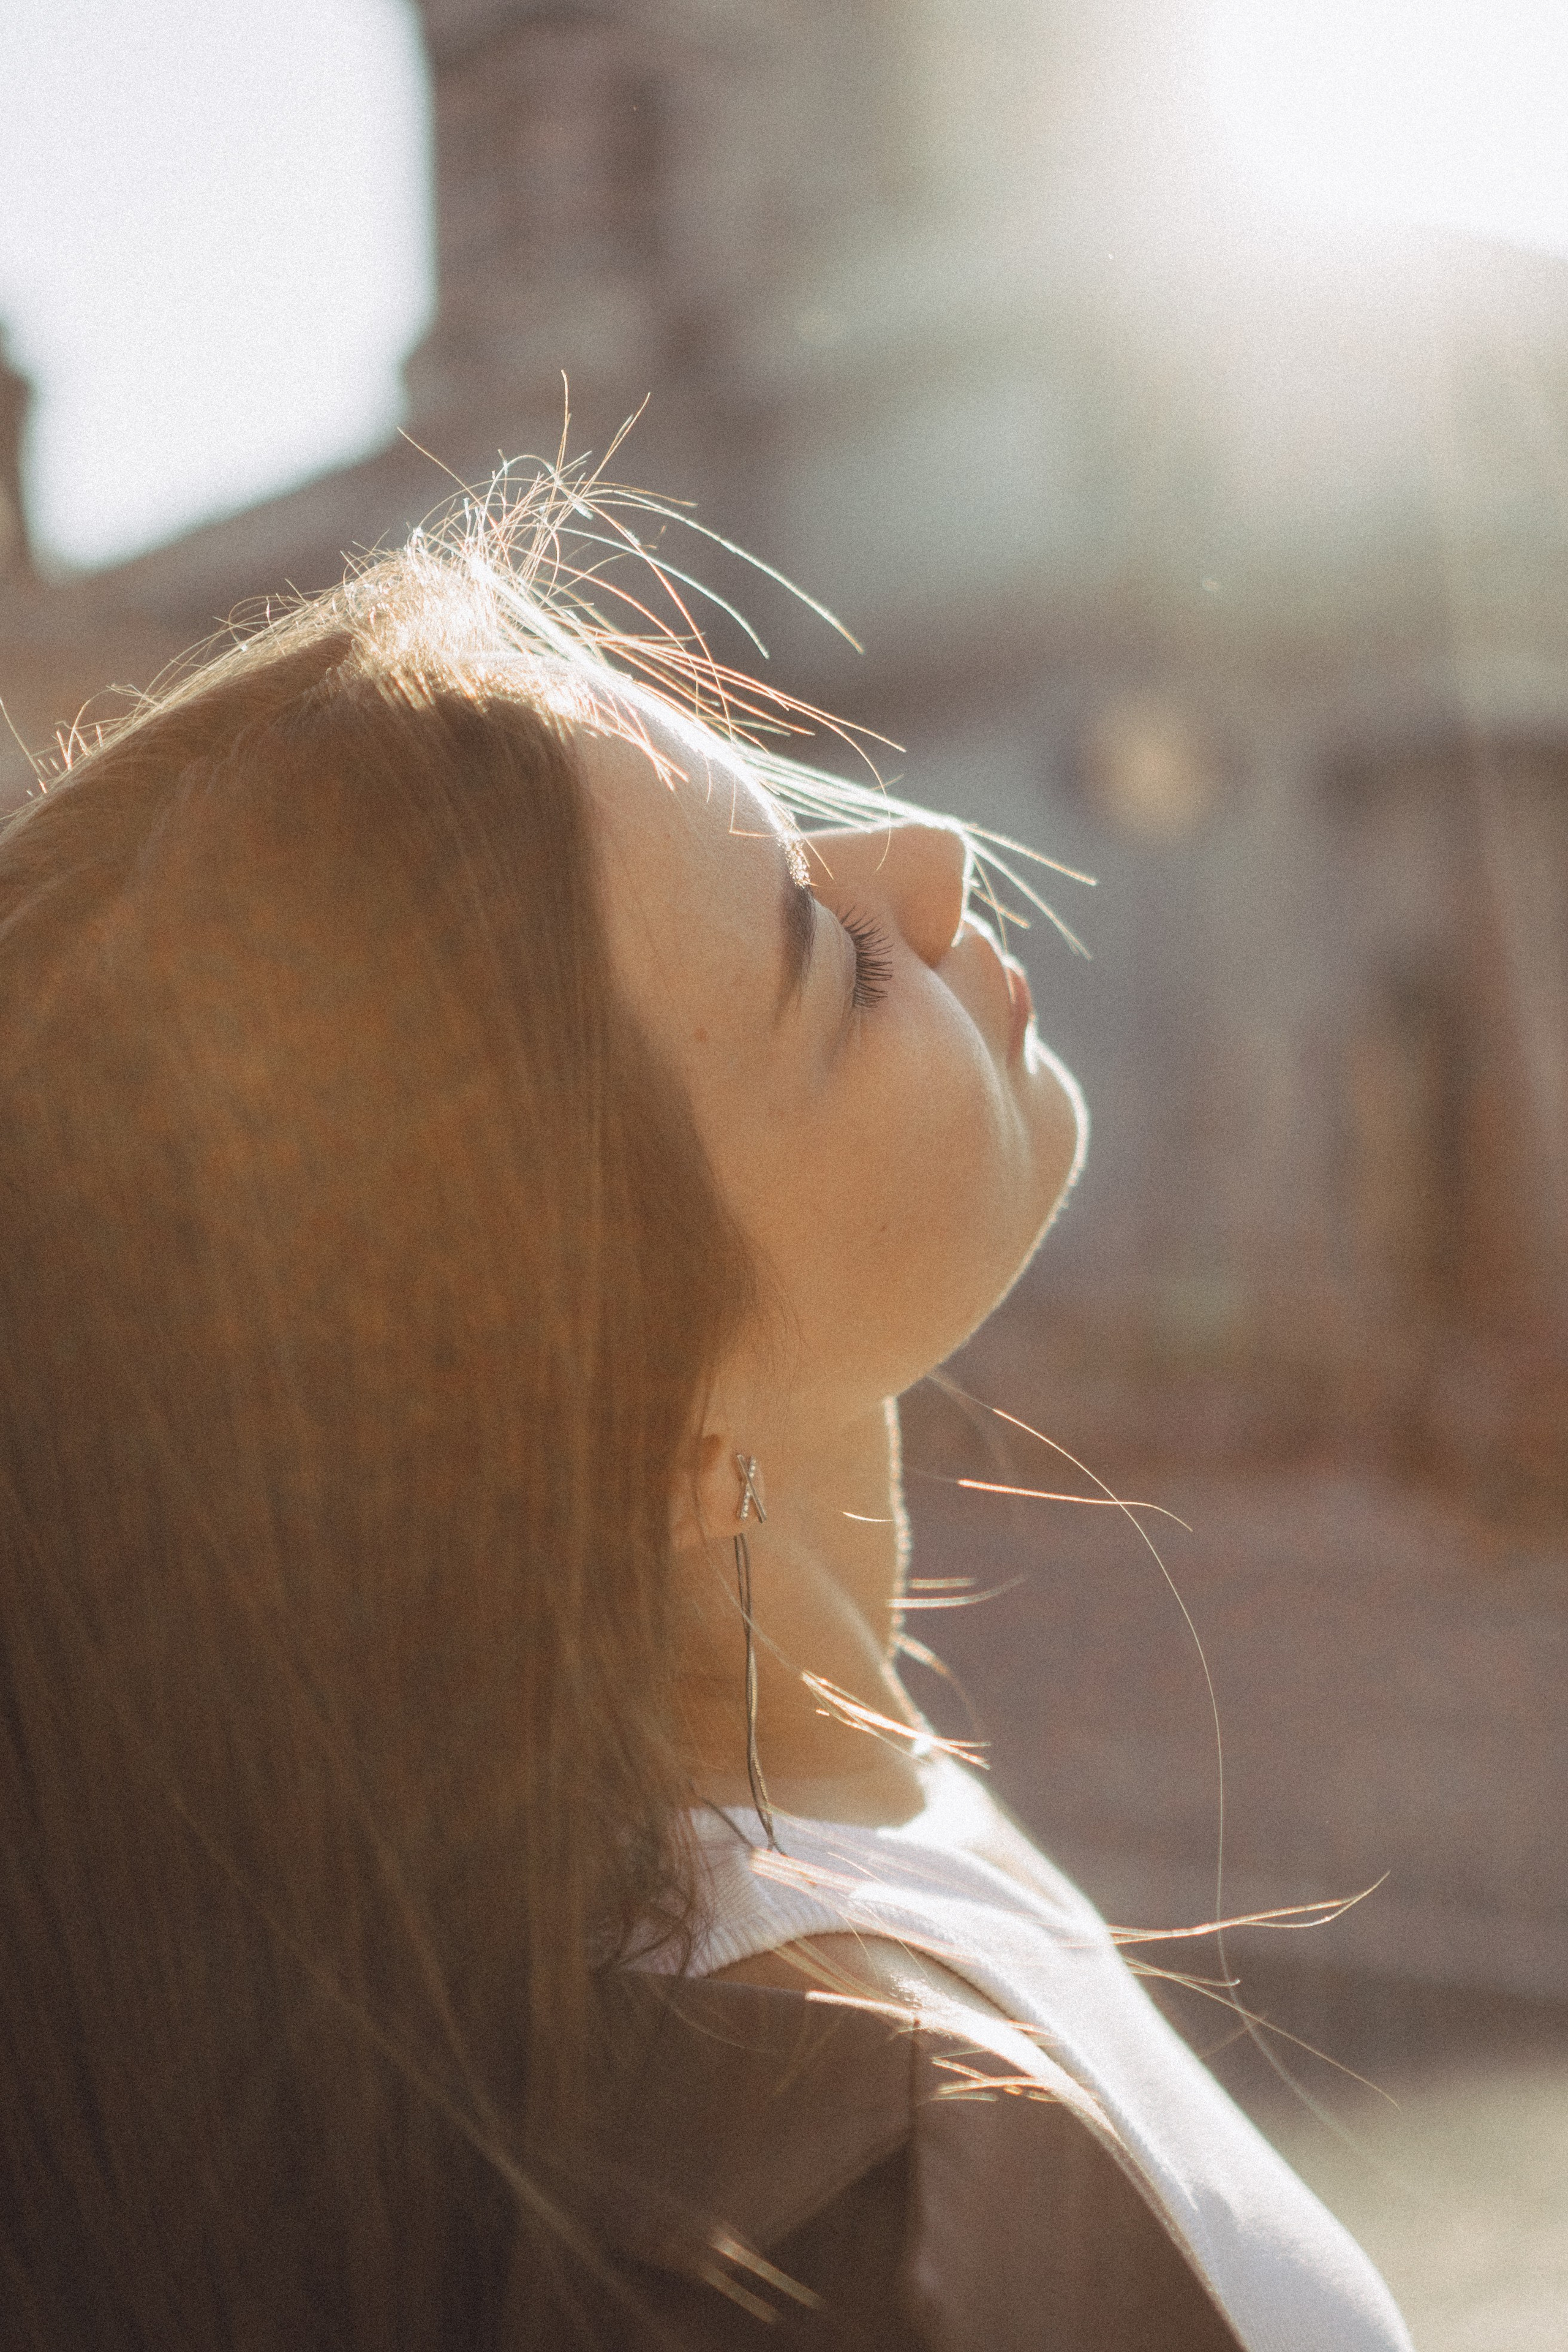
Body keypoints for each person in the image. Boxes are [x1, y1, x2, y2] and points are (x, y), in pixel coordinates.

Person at [0, 490, 1412, 2349]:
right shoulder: (861, 2210)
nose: (920, 862)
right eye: (824, 966)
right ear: (622, 1430)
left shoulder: (814, 1859)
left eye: (802, 828)